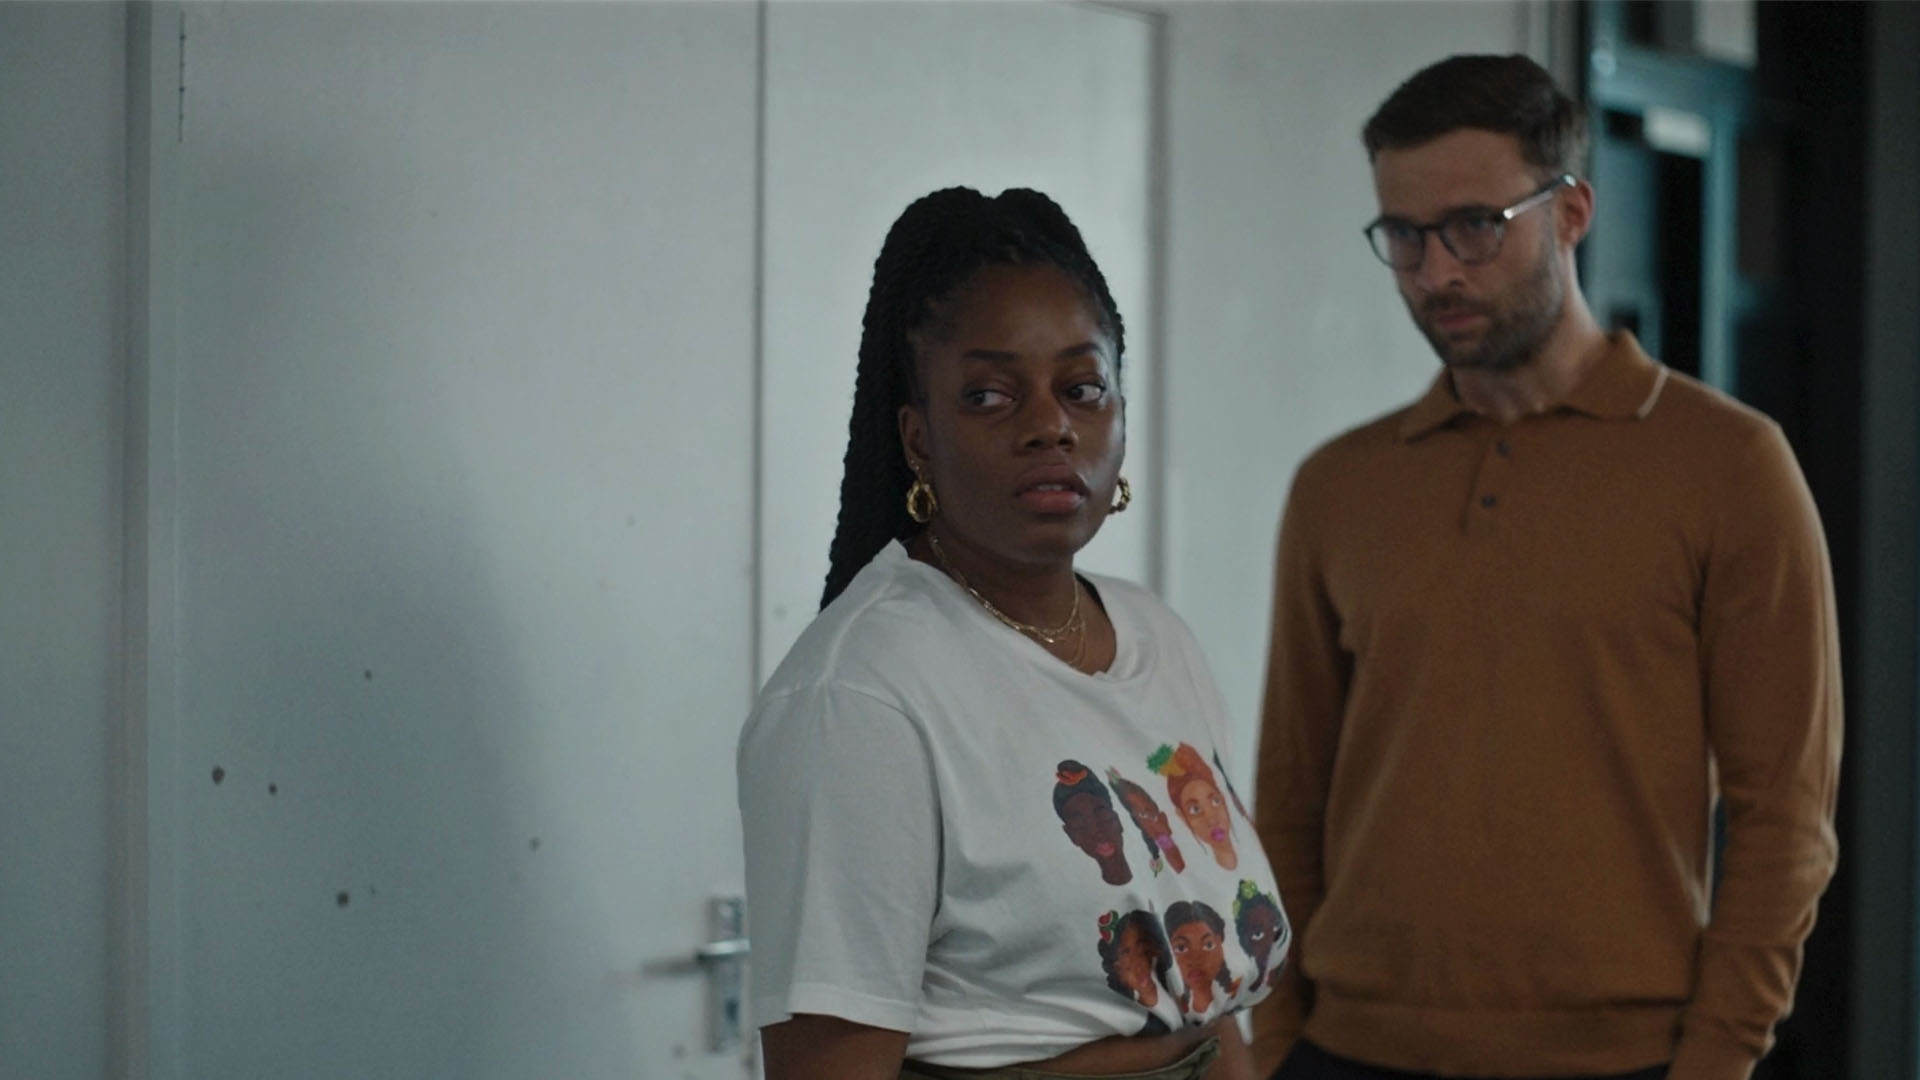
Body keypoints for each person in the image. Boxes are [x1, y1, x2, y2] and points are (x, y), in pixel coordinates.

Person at [1248, 55, 1841, 1080]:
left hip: (1621, 1058)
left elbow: (1786, 819)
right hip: (1348, 1050)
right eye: (1404, 236)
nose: (1437, 271)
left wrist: (1717, 1060)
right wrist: (1271, 1042)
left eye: (1476, 226)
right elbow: (1290, 797)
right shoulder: (1338, 487)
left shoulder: (1731, 466)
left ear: (1571, 213)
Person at [738, 186, 1288, 1080]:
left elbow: (1210, 1007)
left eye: (1083, 389)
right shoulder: (861, 694)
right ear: (917, 437)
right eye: (989, 396)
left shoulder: (1158, 637)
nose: (1050, 427)